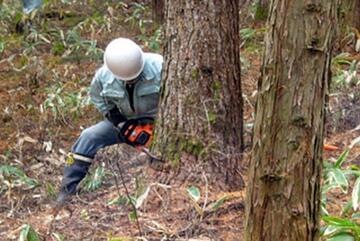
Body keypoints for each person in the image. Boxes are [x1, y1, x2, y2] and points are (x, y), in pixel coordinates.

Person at [57, 38, 163, 203]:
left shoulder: (160, 66)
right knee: (88, 136)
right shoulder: (103, 76)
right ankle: (66, 189)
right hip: (124, 121)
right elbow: (99, 99)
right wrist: (119, 122)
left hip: (159, 122)